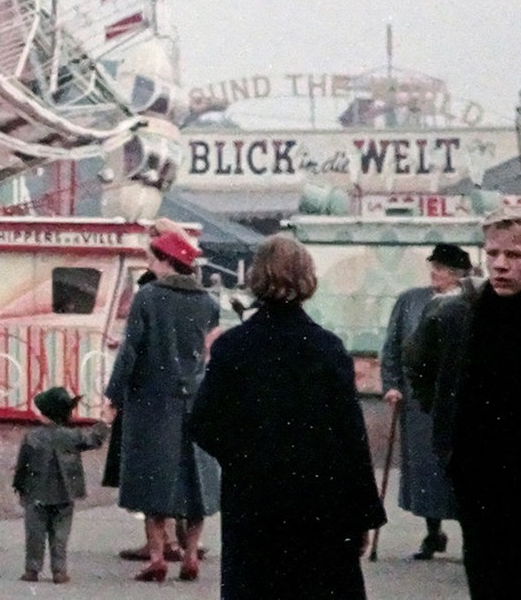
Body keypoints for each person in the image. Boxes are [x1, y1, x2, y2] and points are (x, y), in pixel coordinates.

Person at [188, 235, 383, 600]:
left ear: (256, 278)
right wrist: (363, 515)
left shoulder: (233, 347)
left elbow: (204, 423)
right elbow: (351, 438)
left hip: (254, 502)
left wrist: (244, 458)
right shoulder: (328, 349)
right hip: (321, 504)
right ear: (307, 279)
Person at [407, 214, 521, 599]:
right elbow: (419, 365)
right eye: (494, 253)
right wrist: (444, 421)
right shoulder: (459, 313)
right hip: (477, 469)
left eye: (515, 254)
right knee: (486, 570)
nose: (501, 264)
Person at [103, 228, 220, 582]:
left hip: (152, 402)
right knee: (195, 479)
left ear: (167, 262)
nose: (149, 265)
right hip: (195, 400)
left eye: (153, 259)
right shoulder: (208, 302)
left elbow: (131, 351)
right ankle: (190, 557)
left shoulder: (148, 297)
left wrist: (114, 396)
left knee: (152, 481)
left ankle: (156, 558)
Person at [380, 242, 471, 558]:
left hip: (460, 402)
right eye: (433, 266)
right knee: (426, 471)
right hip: (418, 405)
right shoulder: (410, 300)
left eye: (442, 269)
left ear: (457, 275)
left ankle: (473, 537)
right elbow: (392, 345)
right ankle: (433, 534)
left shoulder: (471, 302)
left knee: (460, 470)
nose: (435, 272)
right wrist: (391, 384)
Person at [12, 385, 108, 584]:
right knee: (61, 534)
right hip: (65, 492)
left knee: (34, 534)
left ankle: (32, 569)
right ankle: (59, 570)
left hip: (35, 491)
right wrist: (105, 422)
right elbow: (94, 438)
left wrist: (19, 486)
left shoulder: (32, 436)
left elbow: (22, 466)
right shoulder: (71, 436)